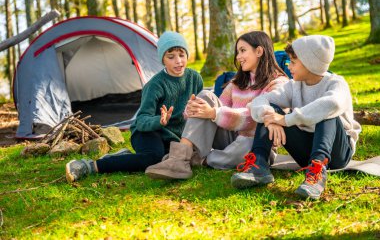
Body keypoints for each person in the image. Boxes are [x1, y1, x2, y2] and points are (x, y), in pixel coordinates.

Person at [231, 35, 361, 200]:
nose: (288, 66)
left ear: (309, 63)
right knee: (270, 110)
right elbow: (259, 101)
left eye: (293, 62)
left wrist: (285, 120)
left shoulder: (336, 83)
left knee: (327, 114)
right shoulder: (293, 86)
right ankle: (259, 165)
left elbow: (332, 104)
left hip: (337, 153)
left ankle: (317, 175)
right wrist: (271, 119)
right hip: (305, 153)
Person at [145, 31, 288, 180]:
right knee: (206, 96)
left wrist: (213, 113)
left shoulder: (279, 83)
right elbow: (218, 108)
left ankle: (198, 159)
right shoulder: (237, 83)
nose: (238, 57)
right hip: (230, 137)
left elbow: (259, 117)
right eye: (237, 52)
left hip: (258, 144)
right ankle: (179, 160)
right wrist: (193, 109)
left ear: (259, 51)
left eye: (242, 51)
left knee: (245, 147)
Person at [65, 31, 203, 182]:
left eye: (181, 55)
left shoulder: (195, 78)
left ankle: (124, 156)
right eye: (171, 57)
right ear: (163, 59)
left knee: (178, 158)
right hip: (147, 132)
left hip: (172, 135)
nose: (178, 61)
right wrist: (159, 120)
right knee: (152, 158)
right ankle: (91, 165)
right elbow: (142, 119)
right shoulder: (155, 85)